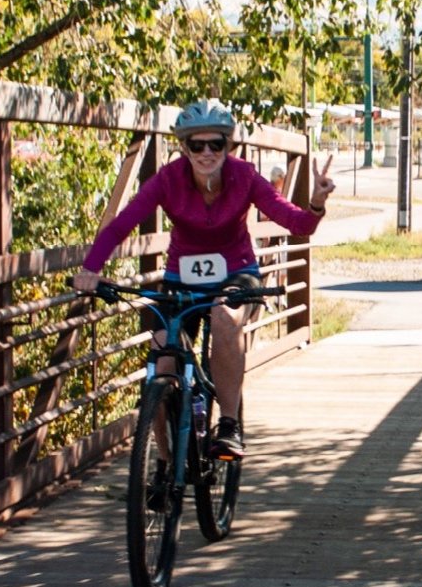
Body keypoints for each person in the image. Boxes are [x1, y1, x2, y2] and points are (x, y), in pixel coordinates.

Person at [72, 100, 335, 457]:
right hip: (181, 279)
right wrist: (91, 269)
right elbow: (122, 224)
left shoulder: (245, 177)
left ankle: (228, 425)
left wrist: (316, 203)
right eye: (197, 145)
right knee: (161, 363)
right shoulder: (167, 179)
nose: (207, 152)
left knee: (224, 318)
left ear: (229, 146)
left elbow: (297, 224)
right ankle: (164, 465)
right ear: (184, 147)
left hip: (237, 274)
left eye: (217, 144)